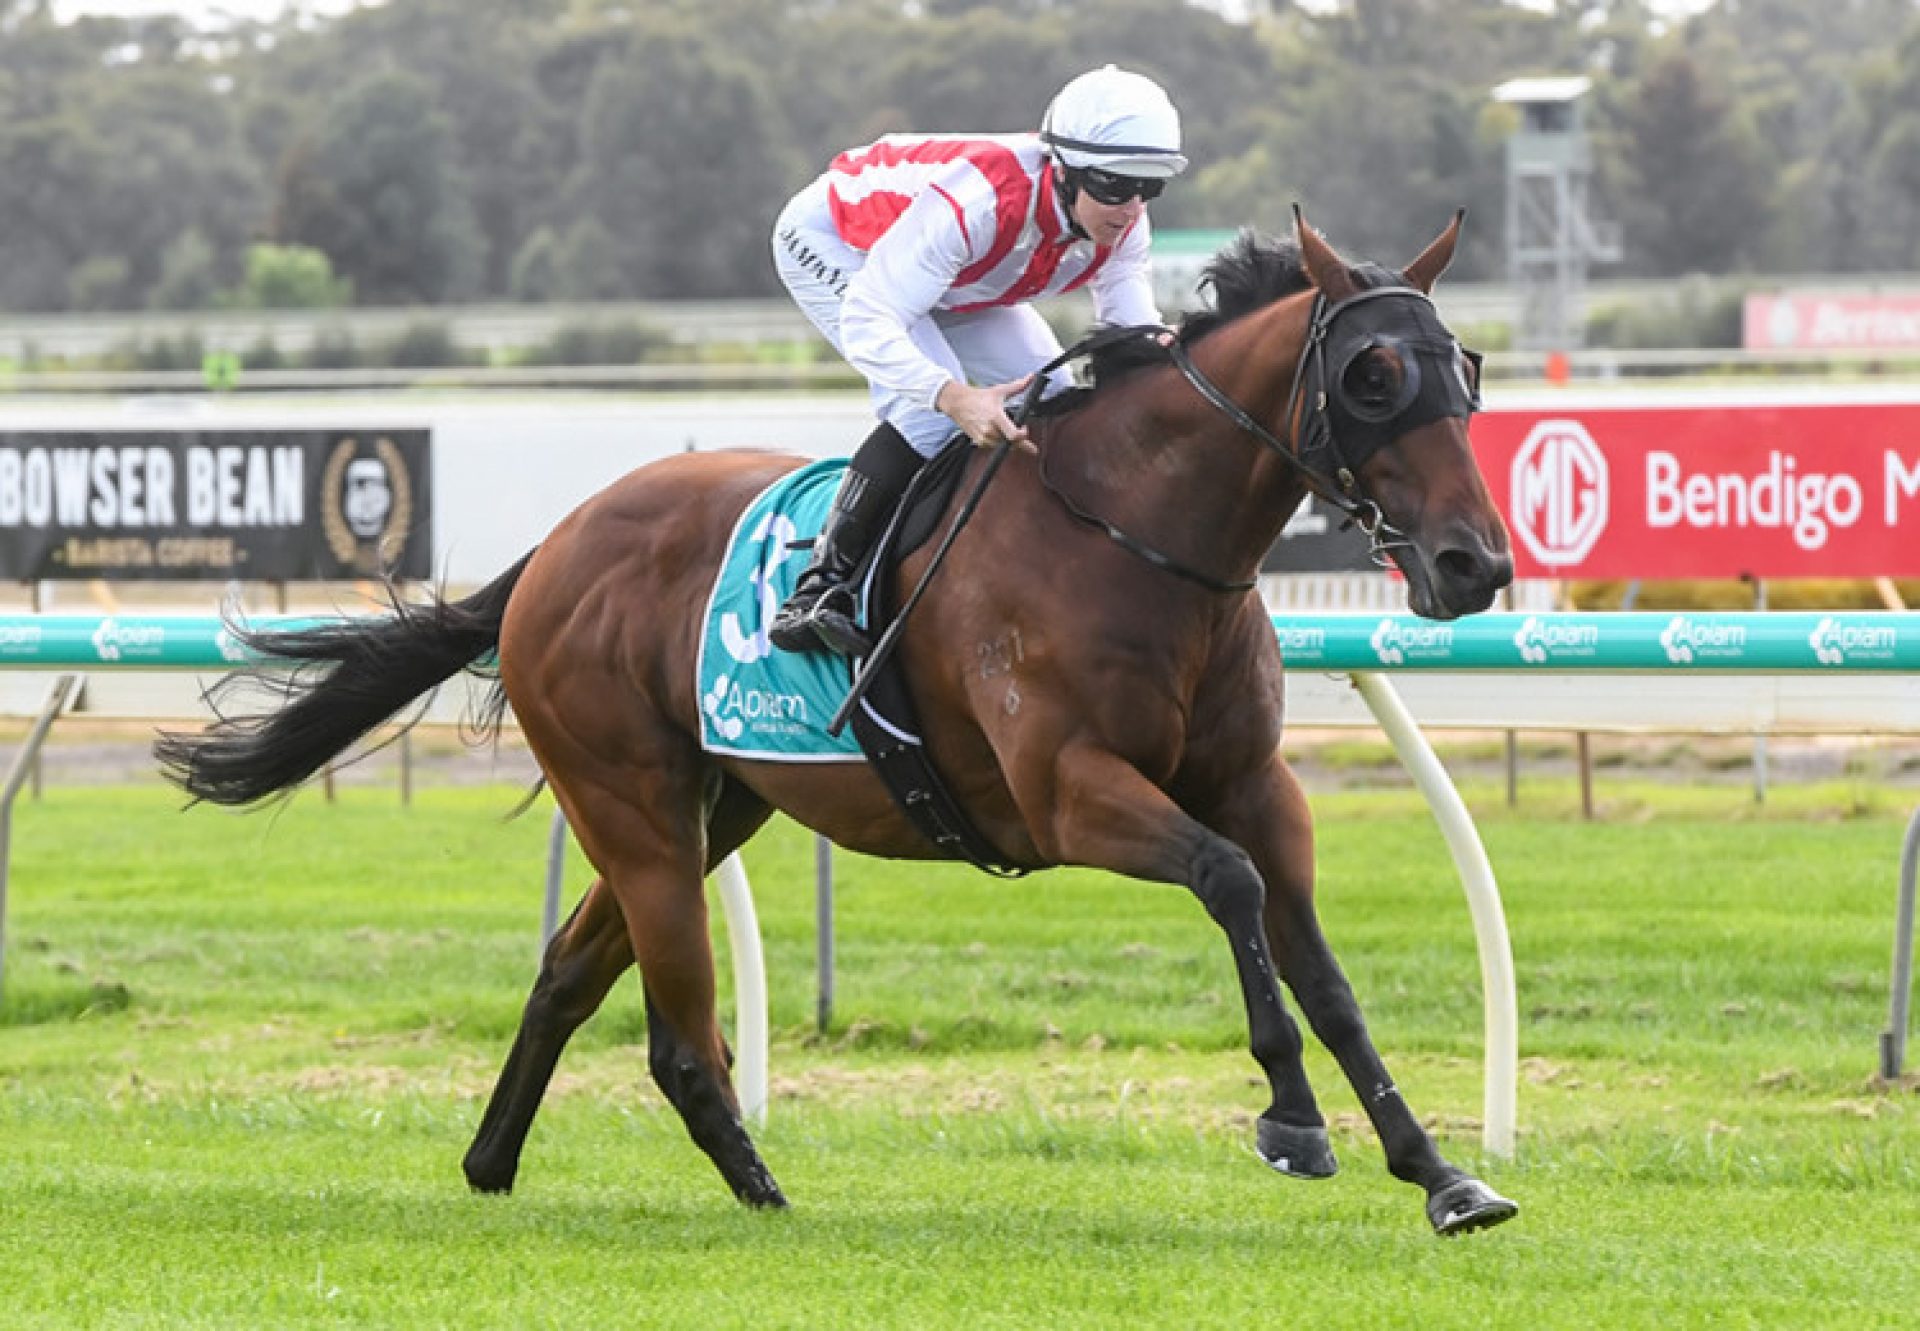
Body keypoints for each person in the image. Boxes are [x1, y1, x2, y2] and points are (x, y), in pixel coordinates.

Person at [767, 64, 1188, 656]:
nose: (1130, 208)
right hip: (841, 242)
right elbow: (872, 318)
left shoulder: (1126, 223)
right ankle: (821, 586)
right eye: (1113, 187)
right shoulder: (983, 203)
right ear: (1061, 172)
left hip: (957, 273)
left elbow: (1131, 334)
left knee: (1053, 396)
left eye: (1149, 188)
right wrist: (954, 395)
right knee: (930, 418)